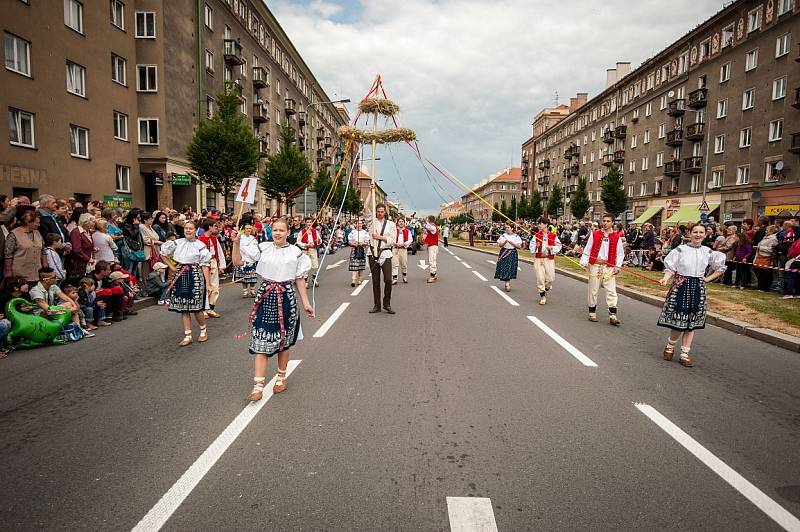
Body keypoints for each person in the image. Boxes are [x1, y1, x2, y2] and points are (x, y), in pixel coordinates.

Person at [231, 217, 314, 401]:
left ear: (287, 232)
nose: (277, 233)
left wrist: (307, 303)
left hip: (286, 297)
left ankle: (281, 378)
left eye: (281, 230)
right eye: (275, 230)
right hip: (265, 295)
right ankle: (258, 386)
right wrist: (236, 243)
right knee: (261, 338)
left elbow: (300, 279)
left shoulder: (296, 252)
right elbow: (237, 262)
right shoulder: (263, 247)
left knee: (283, 341)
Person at [657, 223, 727, 367]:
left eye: (701, 232)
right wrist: (665, 278)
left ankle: (684, 354)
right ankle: (670, 346)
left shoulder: (708, 252)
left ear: (705, 234)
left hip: (697, 288)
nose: (698, 235)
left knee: (691, 323)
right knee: (679, 321)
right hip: (681, 286)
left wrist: (707, 279)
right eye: (695, 232)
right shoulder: (680, 250)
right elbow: (670, 267)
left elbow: (720, 267)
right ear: (689, 233)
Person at [160, 221, 212, 346]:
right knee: (183, 307)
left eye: (191, 228)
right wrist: (172, 267)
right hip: (180, 275)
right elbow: (163, 254)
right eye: (186, 228)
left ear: (195, 230)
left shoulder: (200, 245)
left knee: (197, 307)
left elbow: (205, 265)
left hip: (195, 275)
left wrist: (208, 284)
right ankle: (187, 335)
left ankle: (203, 331)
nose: (188, 231)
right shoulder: (177, 243)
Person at [580, 213, 625, 325]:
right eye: (604, 221)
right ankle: (592, 313)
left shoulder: (616, 237)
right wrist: (584, 261)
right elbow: (587, 249)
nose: (605, 223)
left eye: (608, 221)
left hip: (609, 267)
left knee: (611, 290)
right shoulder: (594, 234)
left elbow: (620, 253)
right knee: (593, 289)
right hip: (595, 266)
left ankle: (613, 315)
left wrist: (618, 266)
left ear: (612, 223)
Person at [4, 210, 47, 286]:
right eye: (37, 222)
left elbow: (43, 251)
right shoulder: (14, 234)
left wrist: (45, 266)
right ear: (28, 222)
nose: (39, 225)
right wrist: (8, 271)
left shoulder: (37, 233)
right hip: (20, 275)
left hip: (36, 274)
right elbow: (8, 255)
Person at [368, 203, 397, 313]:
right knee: (375, 281)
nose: (380, 213)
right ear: (376, 212)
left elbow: (393, 240)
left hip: (386, 253)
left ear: (385, 212)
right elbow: (366, 207)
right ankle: (377, 305)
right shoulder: (372, 222)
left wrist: (379, 237)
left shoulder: (390, 224)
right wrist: (371, 190)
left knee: (388, 279)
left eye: (382, 211)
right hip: (372, 253)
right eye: (378, 211)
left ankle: (387, 303)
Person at [530, 217, 562, 304]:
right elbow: (531, 248)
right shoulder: (536, 236)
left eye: (541, 223)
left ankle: (546, 288)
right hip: (539, 259)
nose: (539, 225)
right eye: (539, 223)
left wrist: (551, 248)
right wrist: (536, 246)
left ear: (546, 224)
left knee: (551, 278)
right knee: (540, 278)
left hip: (549, 259)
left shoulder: (553, 236)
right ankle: (542, 296)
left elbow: (559, 246)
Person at [198, 218, 226, 319]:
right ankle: (203, 308)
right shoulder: (200, 240)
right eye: (214, 226)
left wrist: (221, 265)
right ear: (209, 227)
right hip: (205, 264)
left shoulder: (214, 238)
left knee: (215, 286)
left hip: (214, 262)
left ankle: (210, 307)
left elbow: (219, 251)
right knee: (206, 285)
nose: (216, 228)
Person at [65, 213, 95, 284]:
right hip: (78, 264)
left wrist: (93, 248)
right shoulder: (76, 232)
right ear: (85, 222)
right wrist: (88, 259)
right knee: (78, 282)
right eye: (92, 222)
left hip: (86, 263)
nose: (93, 224)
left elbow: (88, 244)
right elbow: (77, 250)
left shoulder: (88, 231)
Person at [494, 223, 522, 292]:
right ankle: (507, 283)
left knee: (510, 268)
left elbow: (519, 246)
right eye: (506, 227)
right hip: (504, 252)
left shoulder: (516, 236)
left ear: (512, 228)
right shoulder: (503, 235)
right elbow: (500, 245)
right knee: (504, 267)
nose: (507, 229)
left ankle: (508, 282)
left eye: (508, 227)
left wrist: (511, 242)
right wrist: (504, 242)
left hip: (512, 253)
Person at [236, 224, 261, 298]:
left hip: (252, 259)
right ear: (244, 229)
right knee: (244, 277)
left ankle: (252, 290)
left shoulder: (253, 238)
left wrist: (250, 250)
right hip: (244, 259)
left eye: (250, 228)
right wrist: (246, 249)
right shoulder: (241, 238)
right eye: (247, 228)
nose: (248, 230)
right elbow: (240, 247)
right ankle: (245, 291)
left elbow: (256, 248)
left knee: (252, 276)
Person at [297, 217, 321, 288]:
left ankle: (314, 278)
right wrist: (305, 245)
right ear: (305, 223)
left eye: (310, 222)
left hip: (313, 249)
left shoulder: (315, 231)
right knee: (305, 265)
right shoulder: (302, 232)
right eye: (307, 222)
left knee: (315, 265)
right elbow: (298, 241)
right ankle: (305, 281)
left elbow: (319, 239)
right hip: (305, 250)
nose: (309, 223)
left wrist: (319, 241)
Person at [348, 218, 369, 287]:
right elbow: (349, 241)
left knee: (360, 266)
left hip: (362, 250)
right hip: (355, 249)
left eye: (360, 223)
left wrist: (362, 243)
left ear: (362, 225)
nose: (359, 225)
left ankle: (360, 280)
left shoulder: (365, 232)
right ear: (355, 224)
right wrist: (354, 244)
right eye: (358, 223)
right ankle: (353, 280)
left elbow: (367, 242)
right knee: (355, 265)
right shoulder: (352, 232)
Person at [392, 217, 412, 285]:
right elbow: (391, 238)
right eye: (399, 221)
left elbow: (410, 239)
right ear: (397, 223)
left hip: (403, 249)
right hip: (395, 249)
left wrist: (404, 244)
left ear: (404, 223)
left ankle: (404, 276)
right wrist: (395, 243)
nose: (401, 223)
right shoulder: (394, 231)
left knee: (404, 263)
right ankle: (395, 278)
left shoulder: (407, 231)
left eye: (402, 221)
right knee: (394, 264)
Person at [423, 215, 439, 284]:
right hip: (432, 246)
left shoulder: (433, 227)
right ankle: (434, 274)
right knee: (432, 260)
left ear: (429, 220)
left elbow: (427, 226)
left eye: (428, 219)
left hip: (433, 246)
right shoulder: (433, 227)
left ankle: (432, 276)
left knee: (431, 260)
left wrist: (425, 222)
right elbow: (426, 227)